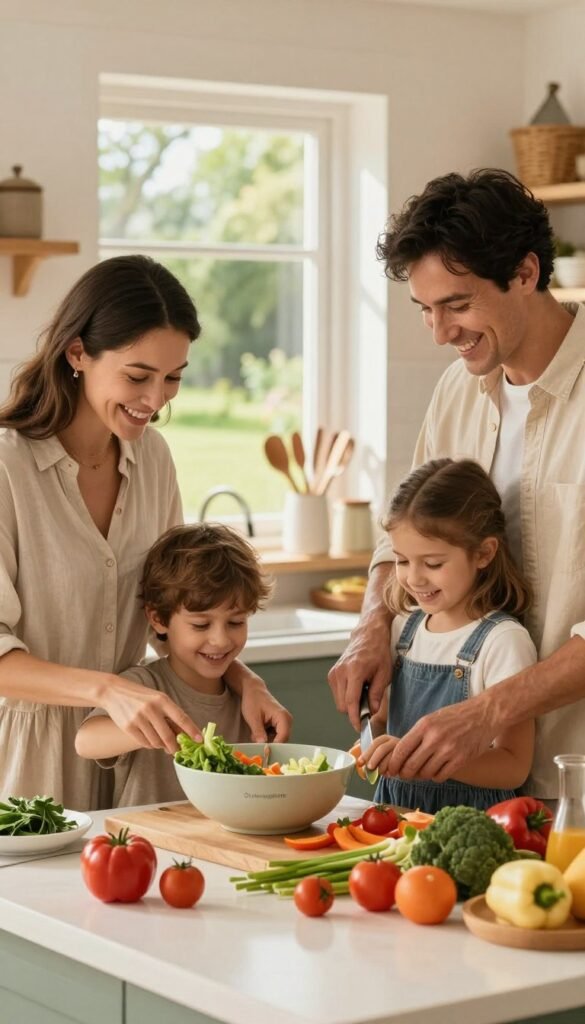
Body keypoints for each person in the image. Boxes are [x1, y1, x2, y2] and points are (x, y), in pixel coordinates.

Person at [329, 167, 585, 801]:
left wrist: (489, 713)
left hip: (574, 774)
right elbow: (403, 539)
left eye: (458, 304)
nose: (442, 333)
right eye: (425, 310)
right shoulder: (458, 389)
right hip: (466, 787)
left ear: (525, 273)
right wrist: (370, 629)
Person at [0, 255, 290, 811]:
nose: (156, 401)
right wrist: (108, 690)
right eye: (138, 376)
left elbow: (175, 607)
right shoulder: (8, 469)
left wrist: (244, 681)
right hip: (24, 764)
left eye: (173, 378)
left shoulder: (152, 459)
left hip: (130, 758)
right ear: (78, 352)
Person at [360, 458, 536, 814]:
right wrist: (373, 744)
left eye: (433, 563)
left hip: (472, 824)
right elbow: (381, 724)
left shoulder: (503, 641)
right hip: (395, 814)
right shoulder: (402, 628)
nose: (414, 578)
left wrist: (436, 759)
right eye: (402, 560)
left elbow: (514, 765)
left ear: (484, 553)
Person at [75, 523, 273, 806]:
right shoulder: (145, 685)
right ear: (158, 619)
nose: (220, 640)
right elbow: (86, 741)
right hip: (146, 843)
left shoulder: (247, 699)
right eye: (201, 625)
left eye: (236, 622)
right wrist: (151, 729)